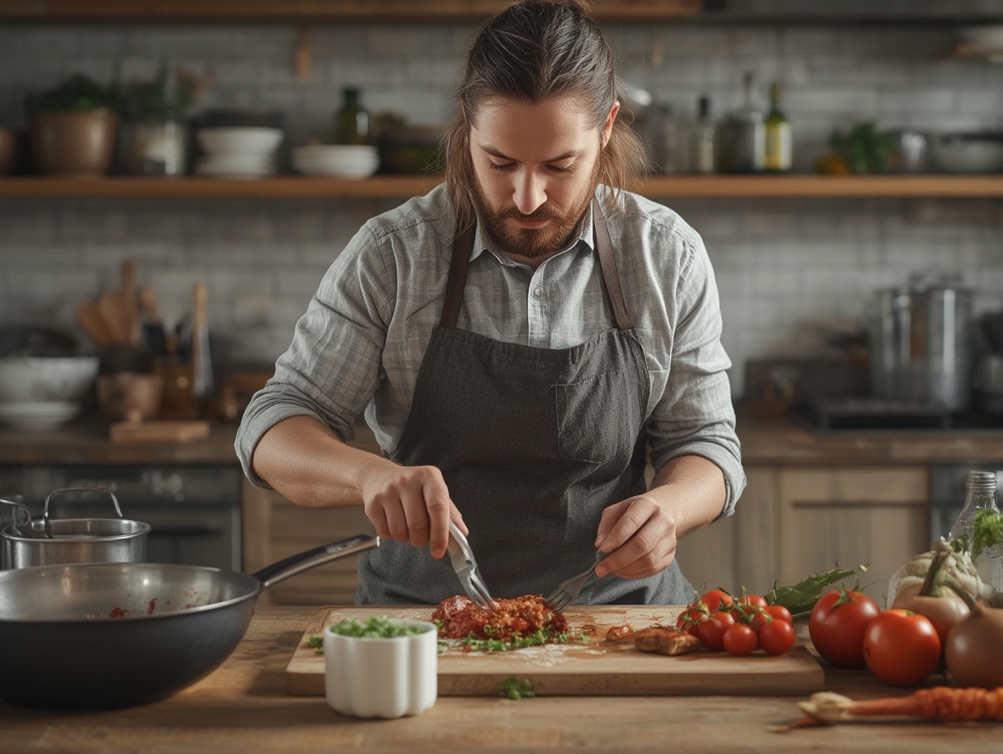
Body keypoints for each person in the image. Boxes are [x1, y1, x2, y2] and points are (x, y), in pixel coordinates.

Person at [236, 0, 745, 605]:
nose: (527, 198)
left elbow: (707, 444)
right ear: (467, 126)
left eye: (560, 165)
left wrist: (671, 507)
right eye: (499, 162)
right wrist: (368, 474)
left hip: (619, 623)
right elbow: (271, 428)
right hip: (423, 628)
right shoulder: (392, 255)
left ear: (607, 128)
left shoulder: (667, 257)